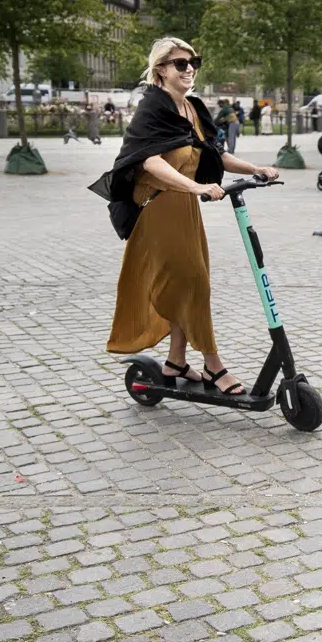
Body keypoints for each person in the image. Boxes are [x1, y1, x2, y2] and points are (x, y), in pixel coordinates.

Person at [105, 37, 280, 395]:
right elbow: (150, 161)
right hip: (158, 209)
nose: (190, 69)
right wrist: (195, 186)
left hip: (184, 209)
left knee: (189, 284)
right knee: (194, 284)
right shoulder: (152, 109)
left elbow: (214, 154)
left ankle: (175, 362)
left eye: (193, 62)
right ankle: (214, 365)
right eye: (181, 64)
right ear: (160, 70)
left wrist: (256, 169)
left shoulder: (192, 108)